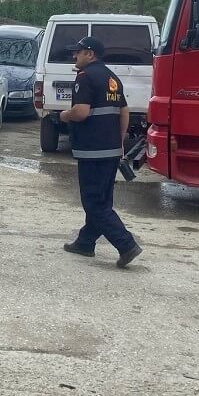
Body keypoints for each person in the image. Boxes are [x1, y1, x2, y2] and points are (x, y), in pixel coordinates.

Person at [59, 36, 142, 269]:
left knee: (95, 203)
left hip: (92, 150)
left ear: (90, 54)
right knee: (102, 199)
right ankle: (85, 243)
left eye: (78, 52)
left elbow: (81, 112)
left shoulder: (85, 77)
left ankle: (126, 244)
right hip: (111, 149)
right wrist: (120, 141)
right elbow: (124, 111)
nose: (74, 56)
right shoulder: (112, 78)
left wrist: (64, 115)